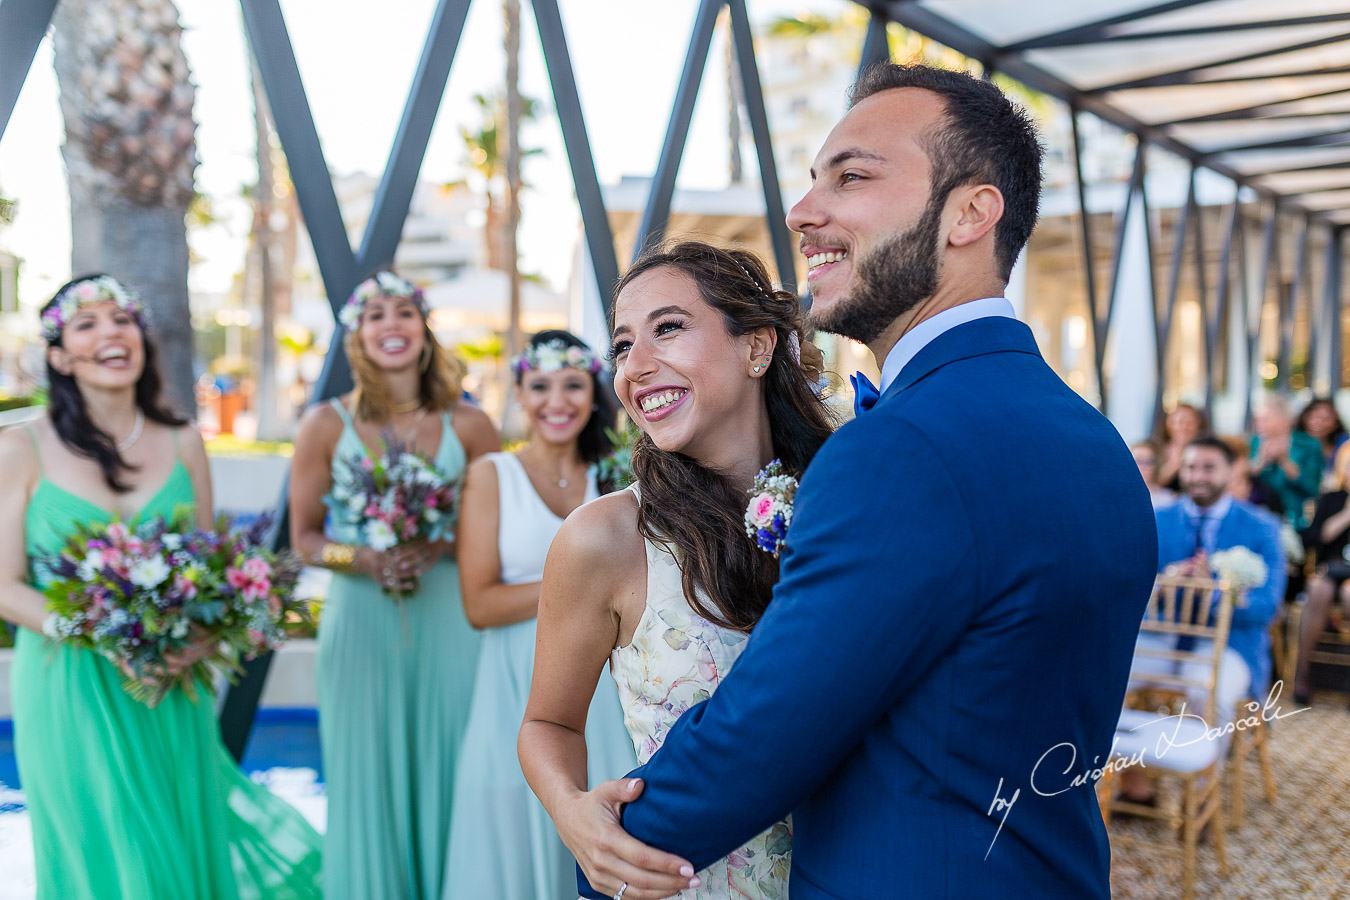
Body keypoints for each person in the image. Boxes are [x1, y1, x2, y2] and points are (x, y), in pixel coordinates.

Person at [543, 64, 1158, 900]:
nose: (803, 212)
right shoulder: (1094, 440)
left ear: (971, 213)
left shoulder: (899, 449)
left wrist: (609, 859)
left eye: (854, 176)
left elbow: (768, 731)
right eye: (811, 181)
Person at [519, 242, 834, 900]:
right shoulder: (604, 539)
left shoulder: (846, 501)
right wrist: (573, 815)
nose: (637, 366)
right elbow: (547, 724)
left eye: (668, 328)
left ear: (757, 347)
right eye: (624, 346)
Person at [0, 275, 321, 898]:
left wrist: (199, 639)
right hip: (71, 686)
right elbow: (2, 584)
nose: (111, 333)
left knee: (180, 844)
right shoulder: (21, 447)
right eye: (87, 324)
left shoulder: (183, 442)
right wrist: (97, 631)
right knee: (107, 855)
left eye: (121, 319)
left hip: (169, 688)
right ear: (60, 356)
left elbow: (208, 573)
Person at [288, 270, 499, 900]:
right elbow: (304, 538)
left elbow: (494, 532)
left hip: (449, 617)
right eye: (375, 315)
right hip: (360, 621)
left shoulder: (471, 426)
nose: (391, 325)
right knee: (366, 773)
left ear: (424, 329)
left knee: (455, 762)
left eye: (403, 312)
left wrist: (439, 544)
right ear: (357, 335)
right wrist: (363, 557)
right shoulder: (325, 425)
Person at [444, 330, 637, 899]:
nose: (558, 401)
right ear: (521, 396)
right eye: (541, 386)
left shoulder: (619, 475)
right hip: (515, 689)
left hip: (605, 690)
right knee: (510, 829)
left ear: (593, 392)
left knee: (606, 818)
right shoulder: (491, 475)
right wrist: (580, 584)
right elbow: (479, 604)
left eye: (573, 385)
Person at [1118, 436, 1285, 802]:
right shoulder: (1157, 519)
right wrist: (1168, 583)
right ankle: (1133, 783)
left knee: (1210, 695)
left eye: (1209, 467)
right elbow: (1129, 590)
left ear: (1231, 471)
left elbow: (1267, 606)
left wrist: (1215, 594)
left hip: (1229, 644)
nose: (1198, 476)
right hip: (1160, 638)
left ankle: (1201, 796)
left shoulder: (1261, 527)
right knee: (1105, 677)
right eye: (1191, 467)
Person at [1296, 448, 1350, 705]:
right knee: (1319, 589)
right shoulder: (1331, 499)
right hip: (1330, 569)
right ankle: (1302, 673)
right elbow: (1314, 538)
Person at [1251, 394, 1322, 531]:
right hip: (1261, 515)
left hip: (1297, 518)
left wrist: (1284, 461)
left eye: (1266, 419)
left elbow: (1312, 487)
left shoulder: (1308, 444)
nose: (1260, 423)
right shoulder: (1255, 442)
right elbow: (1245, 482)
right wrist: (1260, 462)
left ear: (1285, 419)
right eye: (1258, 419)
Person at [1157, 402, 1208, 493]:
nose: (1184, 427)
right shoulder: (1157, 450)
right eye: (1180, 421)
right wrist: (1174, 464)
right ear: (1169, 424)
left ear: (1199, 425)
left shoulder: (1207, 453)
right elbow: (1151, 484)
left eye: (1189, 422)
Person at [1297, 397, 1347, 485]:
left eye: (1325, 418)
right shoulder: (1294, 446)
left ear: (1335, 423)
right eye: (1313, 417)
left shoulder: (1344, 446)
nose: (1318, 422)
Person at [1132, 439, 1175, 509]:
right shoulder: (1120, 495)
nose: (1143, 466)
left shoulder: (1168, 499)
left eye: (1148, 461)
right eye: (1138, 460)